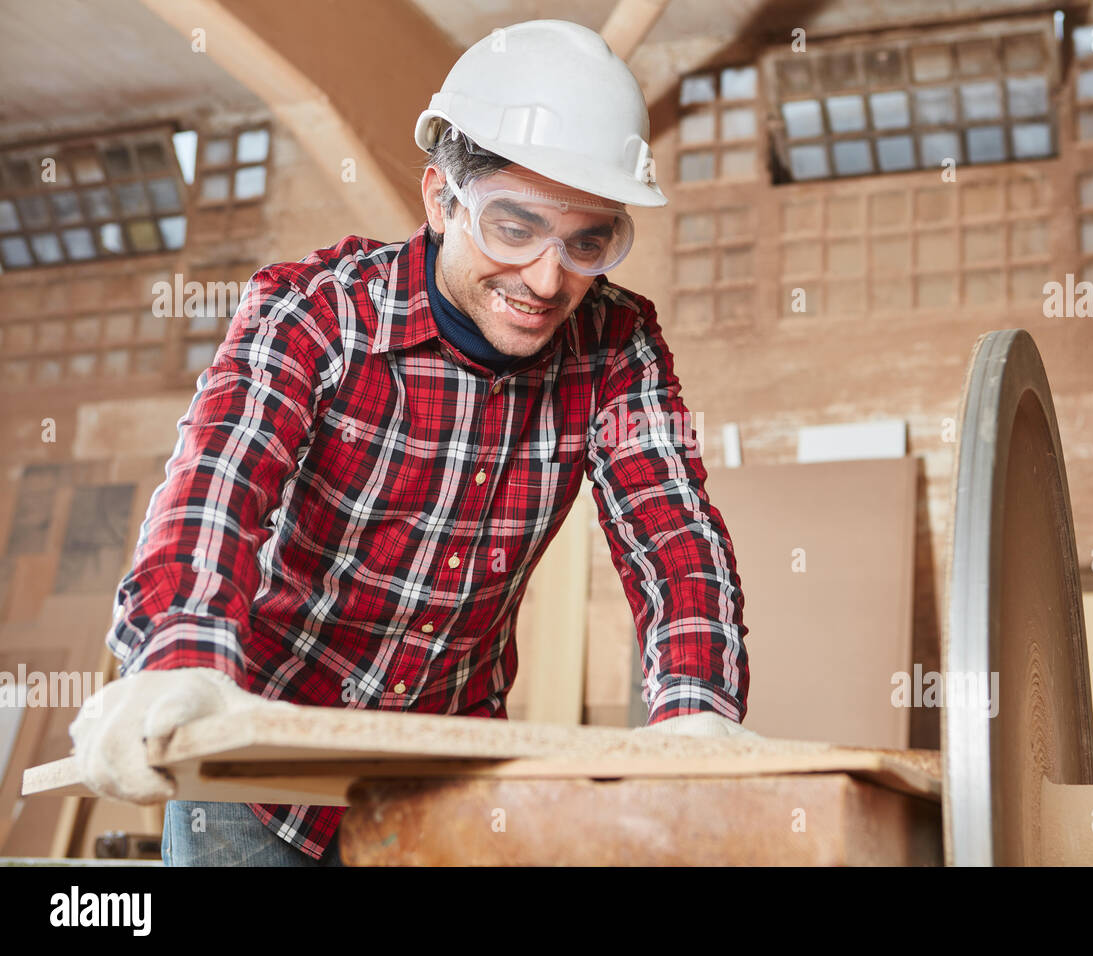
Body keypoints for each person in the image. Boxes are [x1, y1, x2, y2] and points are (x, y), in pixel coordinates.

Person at [68, 19, 752, 867]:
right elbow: (218, 483)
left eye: (588, 242)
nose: (549, 280)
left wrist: (695, 712)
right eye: (513, 228)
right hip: (257, 762)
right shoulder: (316, 311)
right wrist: (176, 659)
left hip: (439, 767)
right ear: (441, 199)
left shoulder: (618, 343)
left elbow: (673, 534)